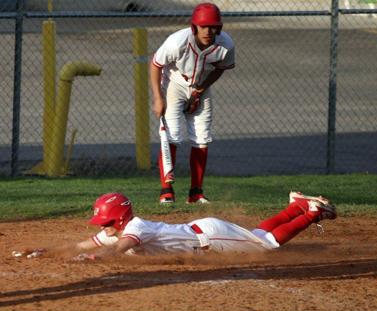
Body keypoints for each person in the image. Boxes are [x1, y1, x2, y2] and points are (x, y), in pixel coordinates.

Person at [14, 191, 335, 260]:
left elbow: (121, 248)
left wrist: (98, 258)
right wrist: (46, 252)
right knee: (258, 235)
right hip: (204, 231)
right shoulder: (119, 229)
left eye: (107, 221)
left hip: (209, 236)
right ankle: (295, 206)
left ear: (120, 218)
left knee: (265, 244)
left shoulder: (134, 229)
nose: (104, 227)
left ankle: (312, 213)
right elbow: (83, 245)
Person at [150, 2, 235, 204]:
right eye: (203, 26)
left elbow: (221, 67)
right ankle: (166, 190)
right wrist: (158, 98)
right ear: (194, 26)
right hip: (175, 82)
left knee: (202, 137)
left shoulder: (226, 45)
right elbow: (156, 64)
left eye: (212, 26)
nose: (208, 31)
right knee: (172, 135)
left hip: (201, 84)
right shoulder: (177, 42)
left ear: (219, 28)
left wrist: (201, 89)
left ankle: (195, 193)